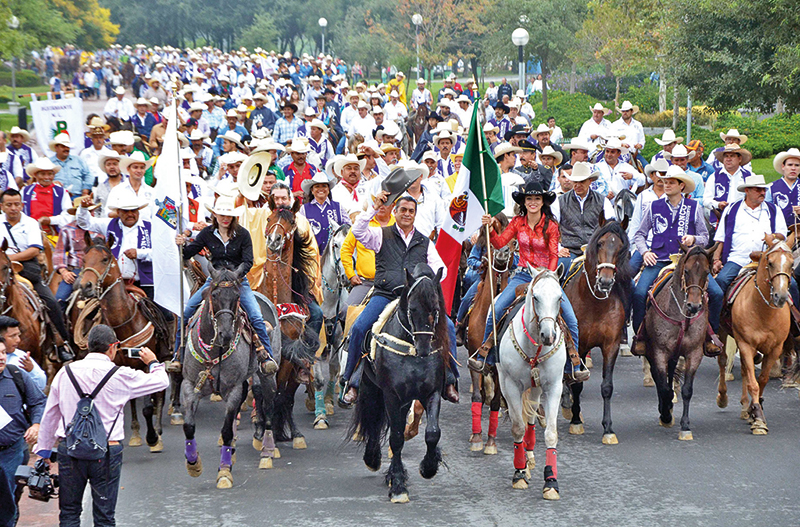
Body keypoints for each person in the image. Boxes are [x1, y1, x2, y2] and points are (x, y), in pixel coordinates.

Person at [34, 325, 169, 527]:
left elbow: (50, 415)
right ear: (113, 347)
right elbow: (161, 381)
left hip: (70, 451)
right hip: (107, 451)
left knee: (69, 513)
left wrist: (43, 452)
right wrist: (153, 362)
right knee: (105, 517)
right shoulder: (121, 374)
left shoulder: (64, 372)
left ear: (88, 346)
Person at [340, 187, 459, 406]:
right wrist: (374, 209)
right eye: (403, 210)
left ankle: (450, 379)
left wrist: (425, 284)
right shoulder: (380, 235)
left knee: (449, 327)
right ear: (395, 212)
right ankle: (351, 380)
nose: (407, 214)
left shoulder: (425, 242)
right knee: (359, 328)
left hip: (415, 301)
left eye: (411, 211)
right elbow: (357, 232)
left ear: (415, 214)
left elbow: (440, 268)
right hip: (385, 295)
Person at [472, 180, 585, 381]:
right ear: (524, 202)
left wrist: (546, 277)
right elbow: (499, 243)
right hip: (523, 274)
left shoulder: (551, 225)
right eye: (529, 198)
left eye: (537, 198)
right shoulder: (516, 222)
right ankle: (487, 355)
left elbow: (553, 255)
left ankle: (572, 365)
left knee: (572, 320)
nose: (533, 202)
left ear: (543, 202)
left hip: (547, 275)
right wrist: (489, 228)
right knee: (496, 309)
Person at [171, 196, 277, 374]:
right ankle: (178, 356)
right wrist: (181, 244)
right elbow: (188, 253)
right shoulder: (206, 234)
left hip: (238, 282)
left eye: (228, 215)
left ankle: (267, 356)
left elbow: (248, 261)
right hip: (213, 282)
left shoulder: (242, 234)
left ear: (234, 217)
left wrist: (235, 276)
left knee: (256, 317)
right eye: (221, 215)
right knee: (186, 313)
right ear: (215, 215)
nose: (225, 219)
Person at [630, 166, 721, 356]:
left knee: (717, 293)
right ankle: (640, 337)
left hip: (687, 262)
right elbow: (640, 234)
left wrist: (693, 239)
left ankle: (710, 336)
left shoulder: (694, 207)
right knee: (639, 293)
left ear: (681, 186)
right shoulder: (654, 206)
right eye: (665, 181)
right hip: (661, 260)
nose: (666, 185)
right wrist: (645, 252)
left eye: (671, 182)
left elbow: (705, 236)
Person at [0, 189, 73, 362]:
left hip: (25, 267)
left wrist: (9, 259)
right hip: (0, 267)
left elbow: (34, 249)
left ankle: (61, 343)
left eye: (17, 204)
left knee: (51, 302)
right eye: (9, 204)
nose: (13, 208)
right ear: (2, 206)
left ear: (22, 205)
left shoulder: (31, 223)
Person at [711, 175, 787, 338]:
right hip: (737, 259)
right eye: (758, 189)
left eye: (764, 189)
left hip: (767, 261)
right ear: (747, 191)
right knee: (720, 283)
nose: (762, 192)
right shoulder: (731, 209)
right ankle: (714, 329)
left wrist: (773, 236)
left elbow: (783, 234)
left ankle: (793, 331)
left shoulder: (773, 210)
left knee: (791, 285)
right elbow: (720, 238)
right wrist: (716, 259)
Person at [0, 335, 45, 526]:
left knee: (8, 499)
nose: (1, 357)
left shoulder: (16, 375)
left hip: (12, 451)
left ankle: (62, 345)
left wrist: (36, 424)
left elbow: (38, 402)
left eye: (3, 353)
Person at [550, 162, 616, 271]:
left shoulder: (603, 201)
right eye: (575, 182)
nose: (577, 185)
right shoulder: (559, 201)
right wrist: (558, 248)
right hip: (570, 250)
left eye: (582, 181)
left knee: (621, 278)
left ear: (590, 181)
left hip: (596, 250)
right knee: (556, 275)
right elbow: (551, 227)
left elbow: (611, 228)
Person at [340, 195, 394, 314]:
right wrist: (351, 274)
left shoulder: (398, 225)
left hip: (392, 284)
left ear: (393, 206)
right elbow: (346, 249)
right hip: (366, 282)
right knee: (346, 312)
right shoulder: (363, 223)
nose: (382, 206)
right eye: (378, 202)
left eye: (386, 203)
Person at [702, 143, 753, 226]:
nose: (728, 159)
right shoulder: (714, 177)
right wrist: (718, 204)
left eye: (732, 156)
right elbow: (706, 200)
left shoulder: (749, 176)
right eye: (726, 156)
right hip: (718, 222)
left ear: (739, 158)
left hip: (744, 222)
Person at [20, 158, 73, 237]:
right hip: (28, 233)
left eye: (50, 174)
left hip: (54, 234)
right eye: (43, 174)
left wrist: (50, 220)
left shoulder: (61, 192)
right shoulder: (26, 191)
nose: (47, 177)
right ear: (35, 175)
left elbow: (68, 216)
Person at [300, 172, 351, 253]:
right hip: (312, 254)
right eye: (317, 186)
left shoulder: (338, 206)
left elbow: (348, 228)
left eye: (324, 186)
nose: (321, 189)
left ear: (328, 190)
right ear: (312, 190)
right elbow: (301, 232)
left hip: (335, 255)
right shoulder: (304, 209)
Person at [0, 316, 47, 391]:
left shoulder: (22, 357)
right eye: (13, 336)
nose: (18, 340)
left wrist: (31, 370)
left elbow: (41, 386)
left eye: (18, 335)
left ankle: (59, 346)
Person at [767, 148, 800, 229]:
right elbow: (766, 211)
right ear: (783, 166)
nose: (793, 168)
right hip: (779, 233)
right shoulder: (770, 188)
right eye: (790, 165)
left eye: (797, 165)